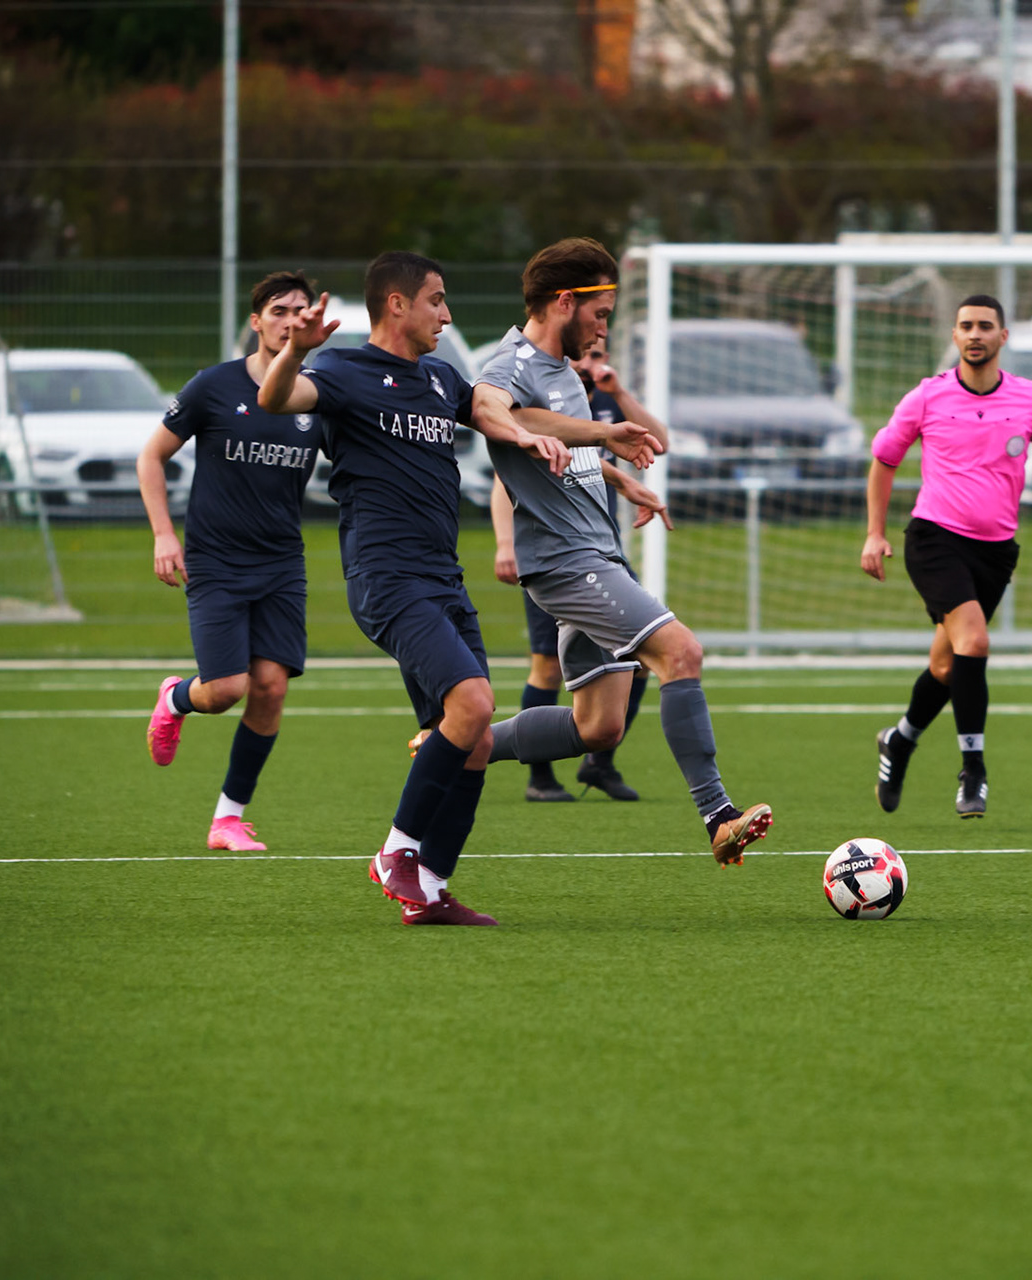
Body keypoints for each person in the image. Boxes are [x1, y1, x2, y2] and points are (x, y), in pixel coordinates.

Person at [255, 251, 649, 925]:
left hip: (442, 578)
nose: (447, 313)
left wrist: (576, 452)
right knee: (473, 703)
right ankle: (397, 852)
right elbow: (275, 397)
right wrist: (294, 350)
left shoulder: (441, 379)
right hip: (387, 577)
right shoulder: (342, 371)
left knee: (474, 739)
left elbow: (497, 411)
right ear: (398, 305)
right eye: (437, 300)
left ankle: (431, 888)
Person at [472, 236, 774, 867]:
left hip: (593, 554)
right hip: (565, 561)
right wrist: (601, 431)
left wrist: (613, 472)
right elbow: (492, 407)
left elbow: (558, 437)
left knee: (598, 727)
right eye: (601, 313)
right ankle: (718, 816)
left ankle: (462, 743)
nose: (604, 326)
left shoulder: (562, 371)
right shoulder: (514, 363)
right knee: (682, 652)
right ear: (564, 301)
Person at [860, 294, 1032, 819]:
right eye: (965, 326)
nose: (975, 334)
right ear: (954, 337)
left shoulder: (1029, 400)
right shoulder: (927, 397)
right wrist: (874, 533)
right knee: (975, 641)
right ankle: (973, 769)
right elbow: (884, 461)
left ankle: (901, 739)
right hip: (934, 539)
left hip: (996, 552)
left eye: (985, 326)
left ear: (1003, 337)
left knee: (946, 663)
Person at [138, 271, 325, 852]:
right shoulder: (213, 386)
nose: (290, 319)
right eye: (277, 310)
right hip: (216, 561)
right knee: (224, 691)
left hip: (281, 564)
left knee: (270, 688)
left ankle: (228, 818)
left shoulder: (318, 396)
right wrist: (164, 535)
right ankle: (176, 697)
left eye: (300, 310)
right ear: (256, 321)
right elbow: (151, 457)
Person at [490, 335, 649, 803]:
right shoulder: (535, 394)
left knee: (639, 661)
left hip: (603, 555)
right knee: (547, 668)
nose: (589, 360)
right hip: (555, 557)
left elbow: (657, 438)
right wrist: (504, 543)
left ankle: (600, 761)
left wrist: (618, 396)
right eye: (583, 350)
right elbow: (510, 474)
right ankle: (538, 777)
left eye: (599, 352)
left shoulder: (595, 402)